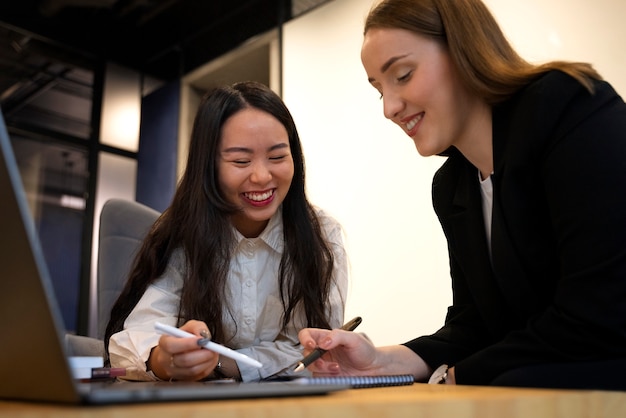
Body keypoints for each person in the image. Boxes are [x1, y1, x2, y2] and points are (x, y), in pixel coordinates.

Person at [298, 0, 626, 390]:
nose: (389, 108)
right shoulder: (454, 186)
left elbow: (597, 311)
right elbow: (474, 325)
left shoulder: (566, 107)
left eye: (402, 75)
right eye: (378, 90)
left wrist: (458, 376)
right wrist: (380, 360)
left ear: (464, 50)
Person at [106, 81, 348, 382]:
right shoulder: (182, 233)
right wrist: (163, 358)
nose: (262, 176)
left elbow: (308, 348)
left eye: (277, 157)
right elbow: (137, 335)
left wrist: (222, 363)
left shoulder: (322, 236)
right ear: (208, 166)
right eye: (240, 161)